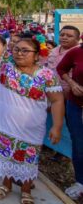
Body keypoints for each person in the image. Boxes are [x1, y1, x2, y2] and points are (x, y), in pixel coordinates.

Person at [0, 14, 64, 204]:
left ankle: (26, 190)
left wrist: (57, 126)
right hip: (5, 124)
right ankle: (6, 184)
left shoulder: (47, 75)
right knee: (5, 155)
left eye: (25, 51)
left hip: (31, 127)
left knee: (28, 158)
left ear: (37, 55)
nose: (19, 53)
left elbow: (57, 100)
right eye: (17, 50)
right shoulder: (7, 66)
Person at [56, 40, 83, 200]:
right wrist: (72, 83)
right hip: (76, 106)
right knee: (79, 144)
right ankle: (80, 181)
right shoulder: (76, 52)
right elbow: (61, 68)